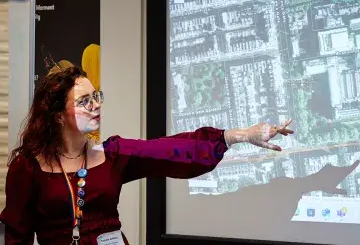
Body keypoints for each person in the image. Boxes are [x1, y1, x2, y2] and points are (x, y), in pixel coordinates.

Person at [0, 67, 293, 244]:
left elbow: (173, 150)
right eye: (84, 101)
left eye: (96, 97)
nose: (96, 106)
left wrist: (239, 135)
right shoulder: (28, 168)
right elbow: (17, 238)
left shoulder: (112, 154)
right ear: (58, 116)